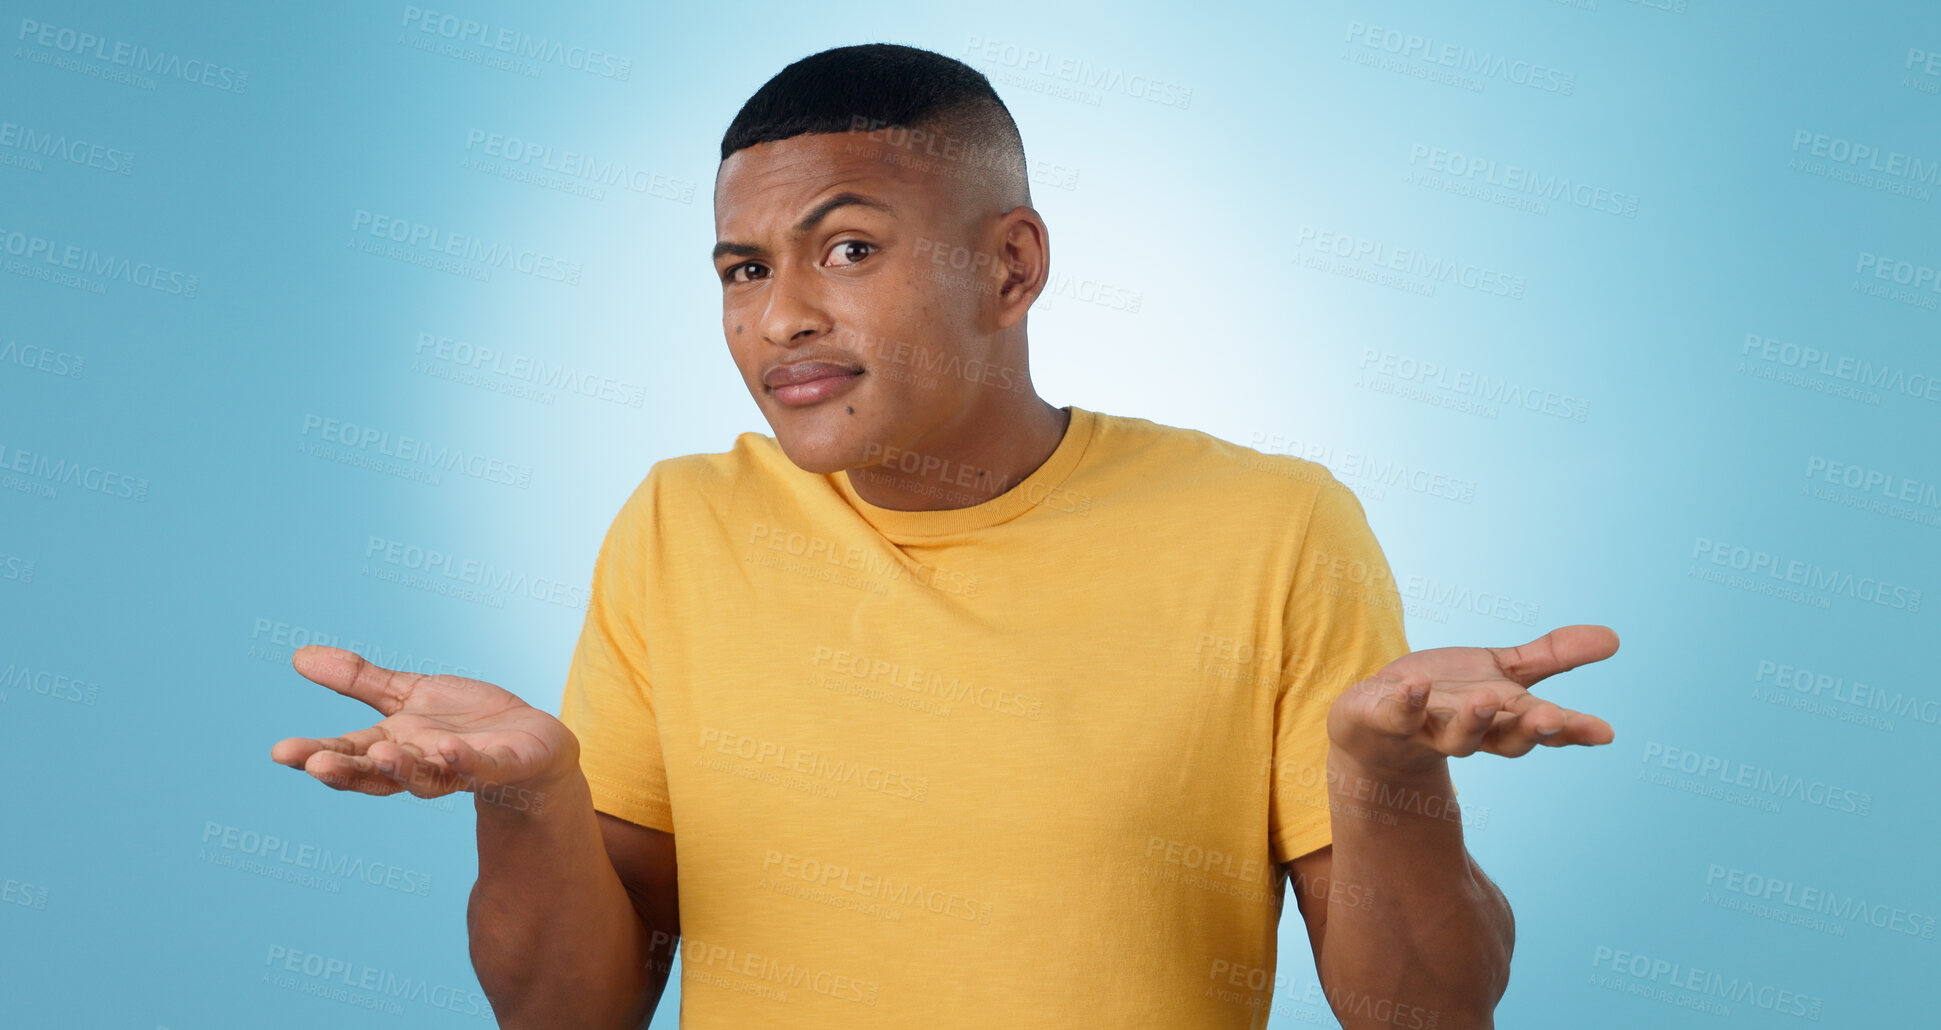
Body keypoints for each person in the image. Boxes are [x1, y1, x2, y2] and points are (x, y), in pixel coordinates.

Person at [269, 42, 1618, 1030]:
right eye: (743, 268)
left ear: (1012, 265)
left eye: (845, 249)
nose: (780, 313)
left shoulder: (1270, 527)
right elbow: (570, 1012)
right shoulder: (681, 524)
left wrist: (1383, 776)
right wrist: (527, 796)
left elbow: (1426, 1014)